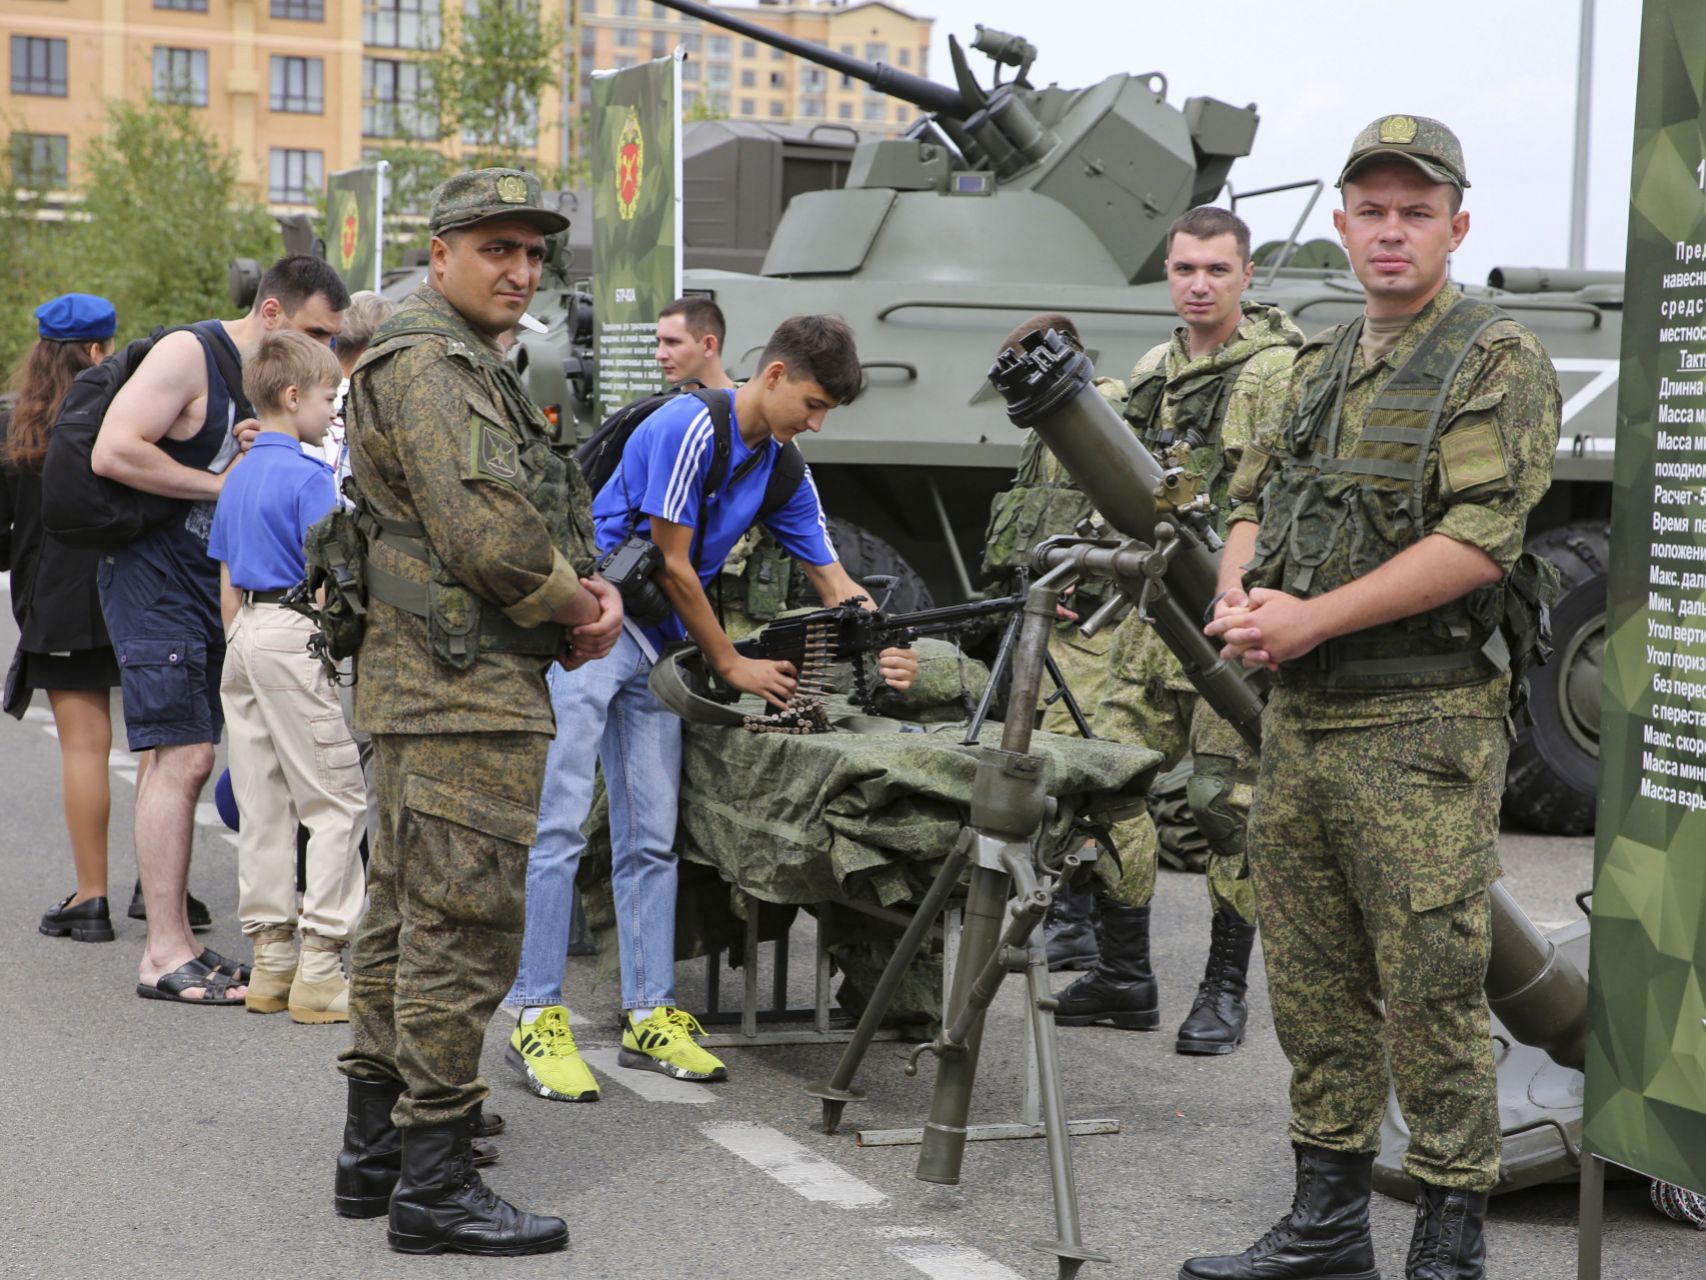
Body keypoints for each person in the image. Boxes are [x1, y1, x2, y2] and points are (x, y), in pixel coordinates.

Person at [1185, 117, 1560, 1280]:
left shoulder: (1493, 357)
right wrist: (1240, 591)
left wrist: (1308, 618)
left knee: (1432, 991)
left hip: (1420, 724)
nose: (1389, 230)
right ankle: (1327, 1222)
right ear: (1341, 224)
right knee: (1311, 983)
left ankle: (1446, 1244)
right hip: (1300, 719)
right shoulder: (1314, 363)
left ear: (1454, 224)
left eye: (1413, 211)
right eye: (1370, 209)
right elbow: (1253, 496)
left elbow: (1476, 542)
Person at [501, 314, 917, 1103]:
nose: (817, 423)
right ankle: (534, 1010)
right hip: (594, 631)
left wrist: (890, 640)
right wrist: (731, 663)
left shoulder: (785, 466)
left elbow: (832, 577)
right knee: (556, 824)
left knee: (651, 836)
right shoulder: (689, 424)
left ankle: (649, 1011)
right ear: (775, 375)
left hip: (658, 647)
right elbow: (674, 560)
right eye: (814, 403)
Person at [330, 168, 622, 1257]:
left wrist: (586, 587)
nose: (522, 270)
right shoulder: (436, 362)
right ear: (440, 250)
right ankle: (436, 1183)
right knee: (461, 932)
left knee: (405, 919)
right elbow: (491, 539)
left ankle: (376, 1153)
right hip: (463, 688)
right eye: (497, 247)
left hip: (433, 683)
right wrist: (579, 606)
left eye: (535, 252)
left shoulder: (440, 355)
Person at [1050, 208, 1302, 1056]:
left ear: (1246, 276)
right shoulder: (1158, 368)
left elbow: (1260, 503)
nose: (1199, 285)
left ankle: (1223, 992)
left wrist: (1239, 595)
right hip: (1152, 616)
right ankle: (1126, 974)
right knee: (1103, 775)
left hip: (1232, 616)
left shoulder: (1274, 370)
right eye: (1185, 269)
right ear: (1168, 271)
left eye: (1217, 272)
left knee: (1224, 807)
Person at [93, 254, 350, 1005]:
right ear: (272, 315)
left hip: (211, 592)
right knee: (187, 755)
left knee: (198, 761)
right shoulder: (190, 353)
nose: (325, 352)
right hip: (152, 579)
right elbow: (114, 449)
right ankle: (164, 953)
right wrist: (227, 484)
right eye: (315, 333)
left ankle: (191, 941)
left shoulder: (263, 404)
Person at [210, 330, 367, 1022]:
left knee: (264, 799)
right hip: (293, 631)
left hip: (243, 632)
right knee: (336, 801)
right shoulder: (310, 477)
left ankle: (272, 963)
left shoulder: (238, 474)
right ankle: (323, 965)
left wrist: (241, 638)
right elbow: (333, 574)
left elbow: (223, 578)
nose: (333, 411)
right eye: (330, 396)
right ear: (293, 395)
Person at [3, 294, 126, 942]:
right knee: (168, 745)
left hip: (59, 600)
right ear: (102, 348)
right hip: (138, 590)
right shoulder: (129, 412)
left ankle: (93, 896)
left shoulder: (15, 424)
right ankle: (169, 892)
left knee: (85, 746)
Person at [654, 295, 733, 390]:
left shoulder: (745, 403)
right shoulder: (663, 404)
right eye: (659, 342)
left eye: (672, 342)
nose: (659, 355)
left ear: (708, 346)